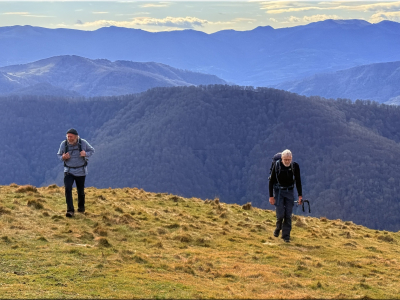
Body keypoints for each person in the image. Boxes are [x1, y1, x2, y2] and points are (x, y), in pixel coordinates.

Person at [57, 128, 95, 217]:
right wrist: (63, 157)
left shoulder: (83, 143)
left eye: (71, 137)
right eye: (68, 137)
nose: (69, 138)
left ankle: (81, 208)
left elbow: (92, 150)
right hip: (68, 171)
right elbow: (59, 155)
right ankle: (70, 210)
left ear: (76, 137)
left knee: (80, 191)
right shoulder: (64, 144)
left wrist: (85, 154)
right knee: (68, 189)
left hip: (81, 171)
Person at [269, 149, 302, 243]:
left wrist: (300, 196)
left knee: (288, 214)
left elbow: (298, 181)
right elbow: (271, 181)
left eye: (289, 159)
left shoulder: (295, 166)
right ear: (282, 158)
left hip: (289, 191)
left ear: (291, 158)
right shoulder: (277, 165)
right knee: (280, 214)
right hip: (279, 191)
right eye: (285, 159)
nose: (287, 161)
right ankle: (278, 227)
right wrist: (271, 196)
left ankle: (286, 236)